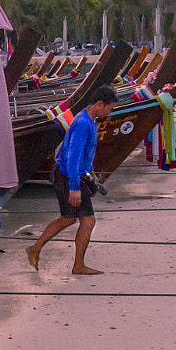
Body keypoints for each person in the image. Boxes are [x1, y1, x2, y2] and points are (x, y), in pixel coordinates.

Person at [27, 85, 119, 276]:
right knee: (88, 221)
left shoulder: (90, 120)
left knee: (68, 219)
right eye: (109, 108)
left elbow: (85, 153)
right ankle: (78, 266)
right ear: (100, 104)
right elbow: (73, 157)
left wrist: (91, 173)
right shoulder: (83, 124)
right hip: (68, 175)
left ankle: (35, 249)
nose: (109, 112)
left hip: (73, 173)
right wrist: (74, 188)